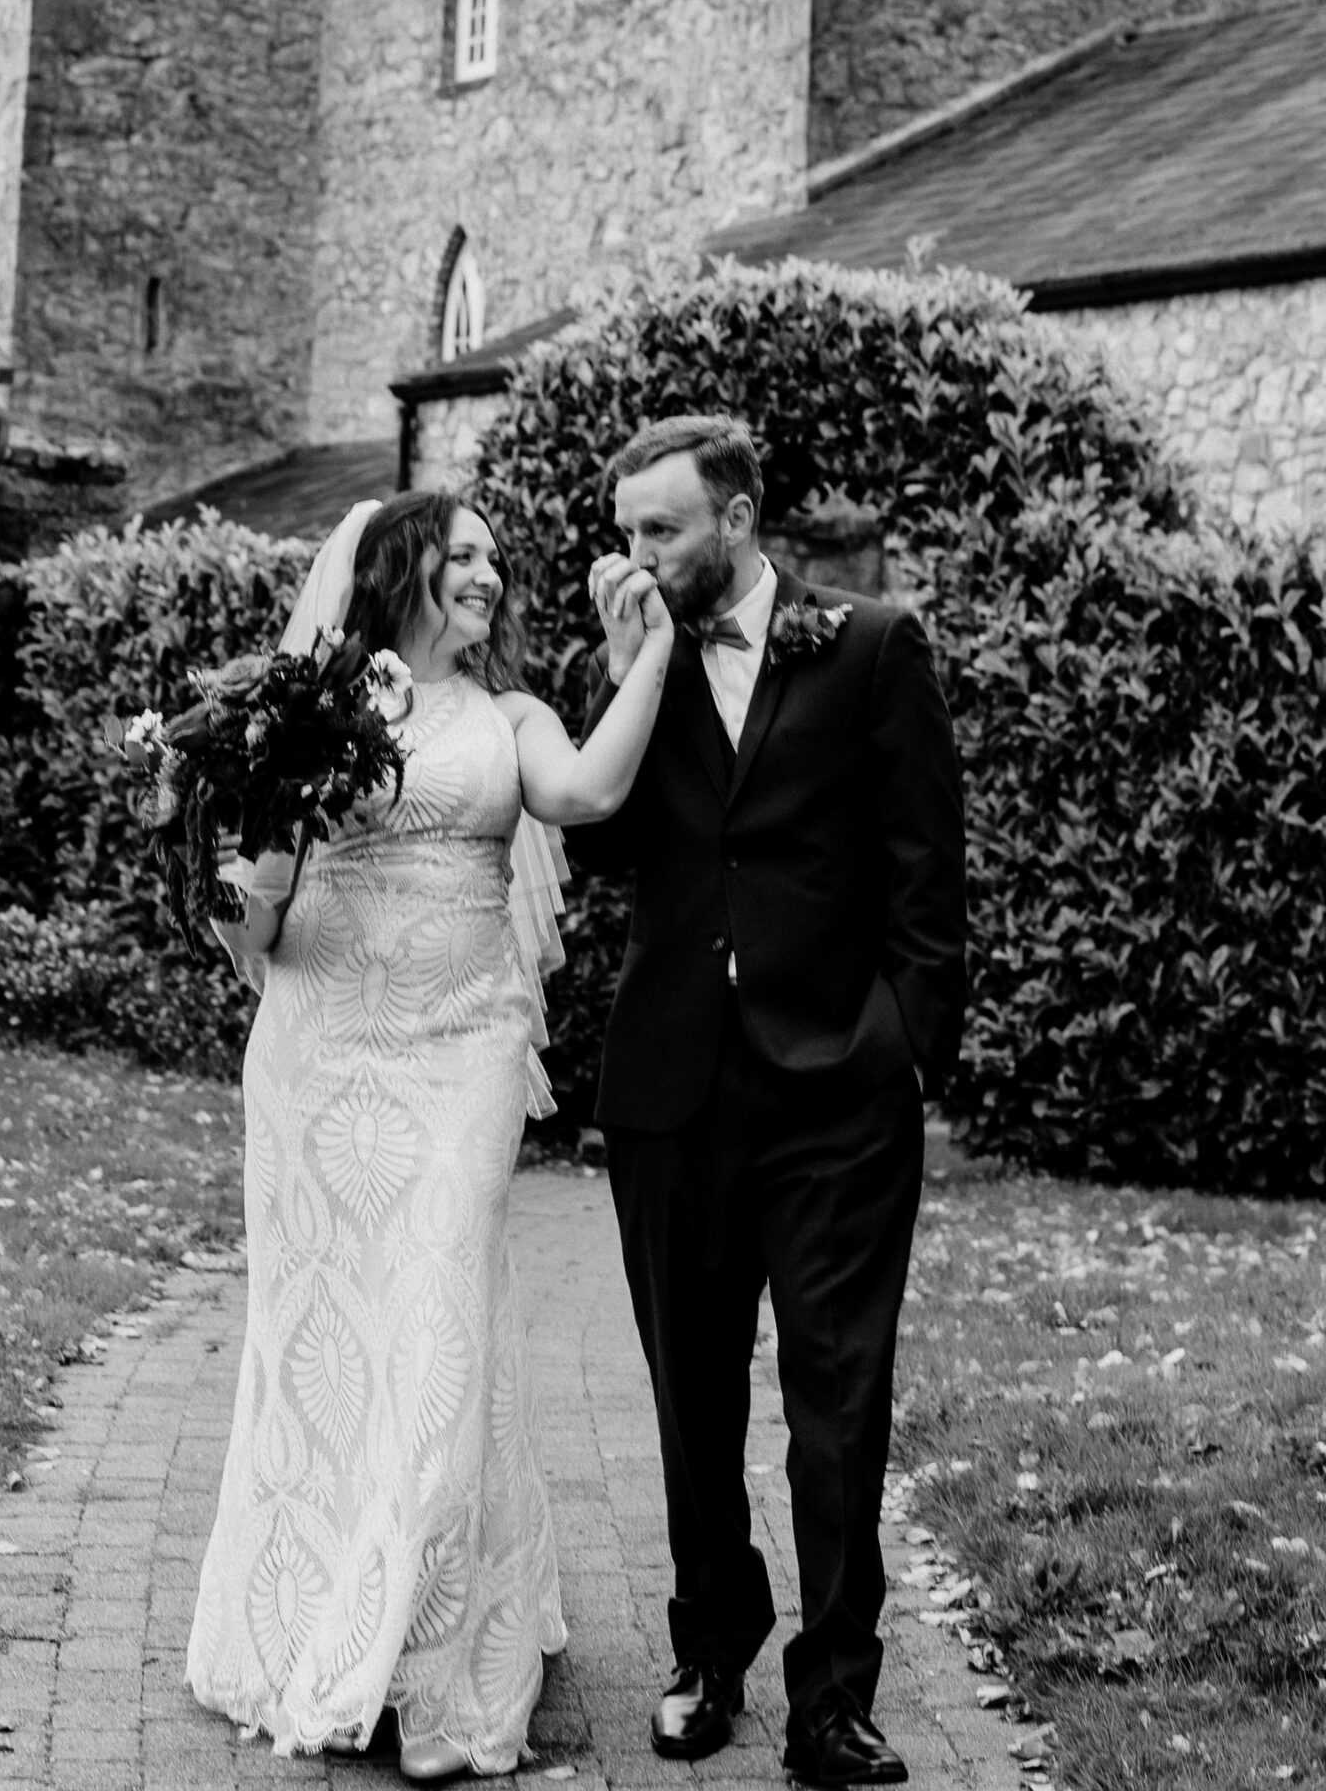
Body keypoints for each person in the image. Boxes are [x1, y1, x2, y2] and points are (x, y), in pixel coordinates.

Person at [186, 491, 673, 1774]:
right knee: (334, 1327)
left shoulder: (514, 720)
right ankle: (315, 1606)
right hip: (323, 1059)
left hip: (459, 1053)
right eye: (463, 557)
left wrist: (651, 661)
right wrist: (246, 894)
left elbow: (590, 790)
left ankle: (433, 1660)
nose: (489, 578)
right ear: (399, 569)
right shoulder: (320, 712)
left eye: (495, 563)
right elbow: (264, 916)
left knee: (443, 1314)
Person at [572, 416, 967, 1789]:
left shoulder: (866, 647)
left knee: (835, 1400)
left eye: (658, 531)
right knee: (691, 1397)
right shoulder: (623, 660)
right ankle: (706, 1648)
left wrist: (904, 1045)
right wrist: (629, 673)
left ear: (734, 520)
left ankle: (834, 1698)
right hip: (670, 1087)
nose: (633, 555)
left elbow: (927, 866)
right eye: (625, 530)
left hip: (835, 1096)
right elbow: (602, 841)